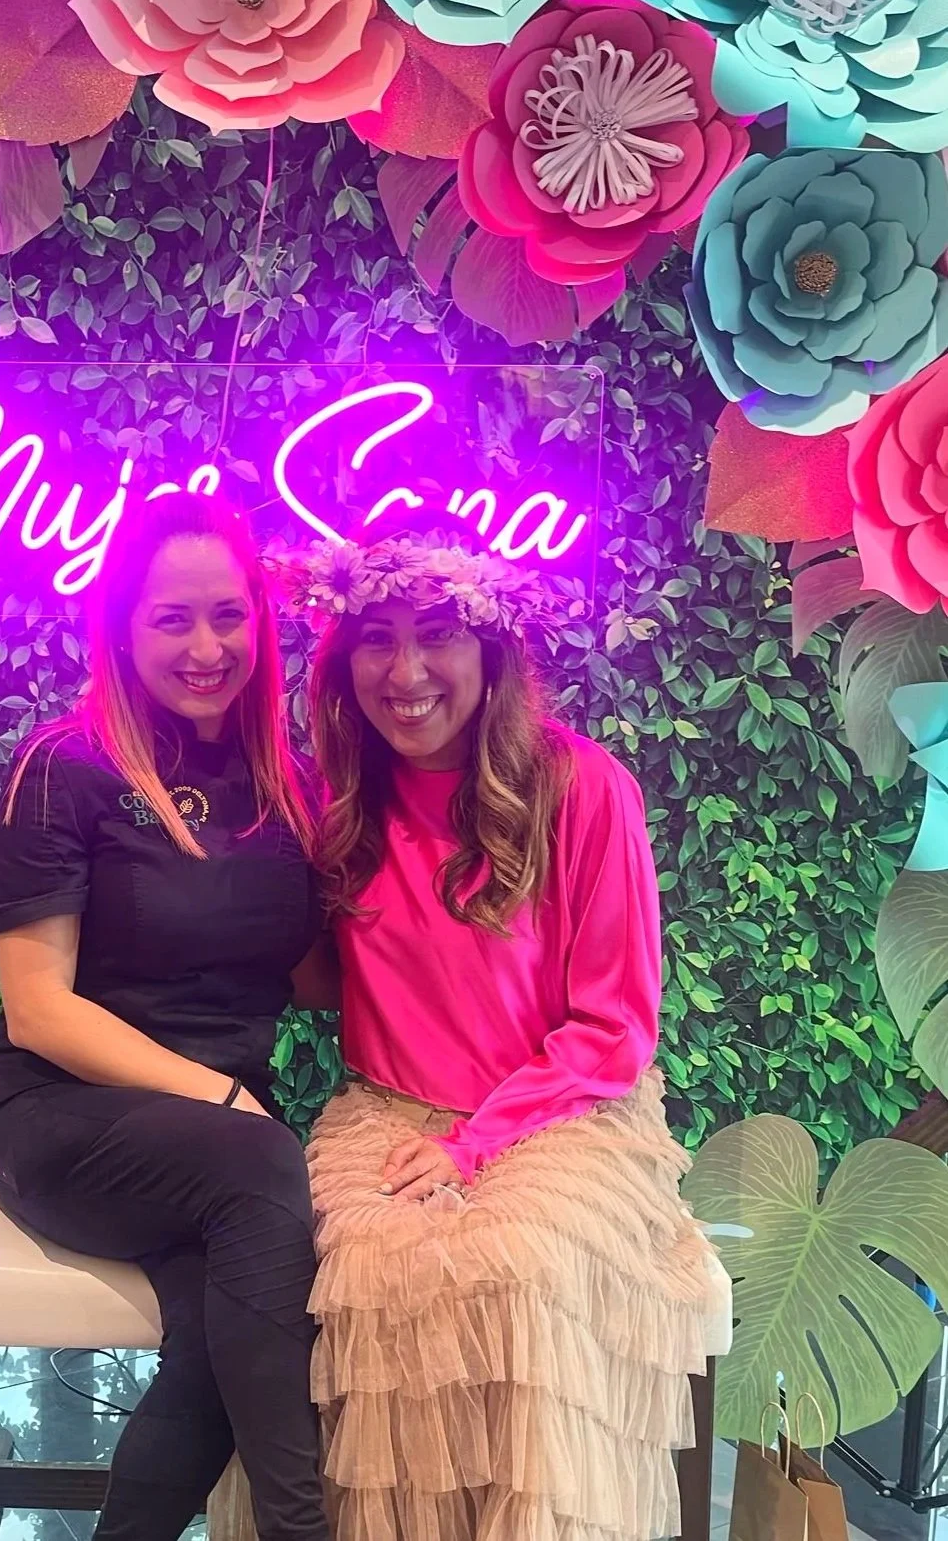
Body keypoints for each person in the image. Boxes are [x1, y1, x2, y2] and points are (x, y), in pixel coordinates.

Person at [217, 525, 718, 1541]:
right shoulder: (340, 804)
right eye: (376, 639)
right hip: (386, 1107)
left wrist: (470, 1145)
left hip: (562, 1113)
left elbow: (612, 1025)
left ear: (492, 650)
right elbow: (298, 959)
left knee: (517, 1270)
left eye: (436, 633)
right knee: (344, 1270)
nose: (405, 673)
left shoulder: (581, 790)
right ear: (342, 656)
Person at [0, 490, 335, 1541]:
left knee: (214, 1362)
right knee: (264, 1166)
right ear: (123, 627)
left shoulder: (285, 783)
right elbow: (38, 1012)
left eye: (228, 613)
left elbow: (313, 976)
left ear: (261, 621)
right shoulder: (66, 768)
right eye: (172, 618)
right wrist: (228, 1102)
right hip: (61, 1118)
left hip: (214, 1150)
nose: (207, 645)